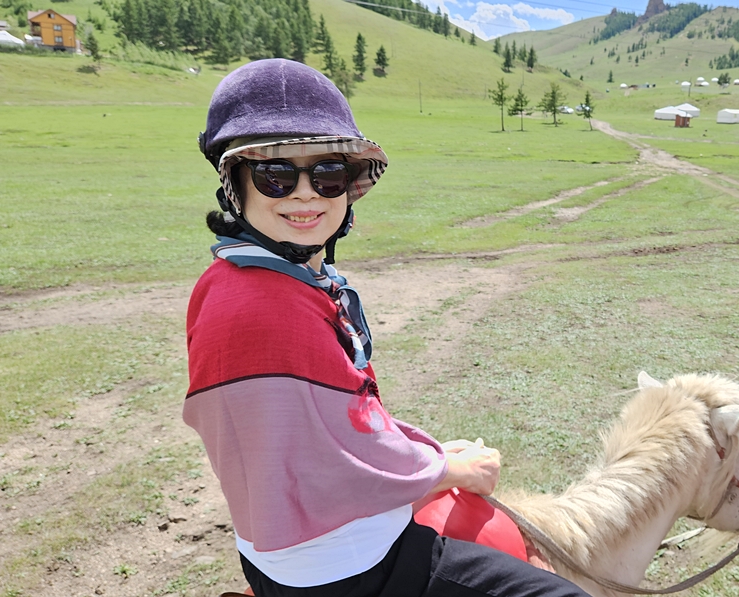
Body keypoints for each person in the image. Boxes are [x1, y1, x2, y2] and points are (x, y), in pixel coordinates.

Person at [183, 58, 590, 597]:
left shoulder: (241, 281)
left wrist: (428, 453)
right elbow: (341, 463)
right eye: (275, 175)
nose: (306, 194)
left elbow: (334, 424)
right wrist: (451, 470)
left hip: (286, 552)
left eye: (328, 174)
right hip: (352, 566)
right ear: (236, 184)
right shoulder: (266, 308)